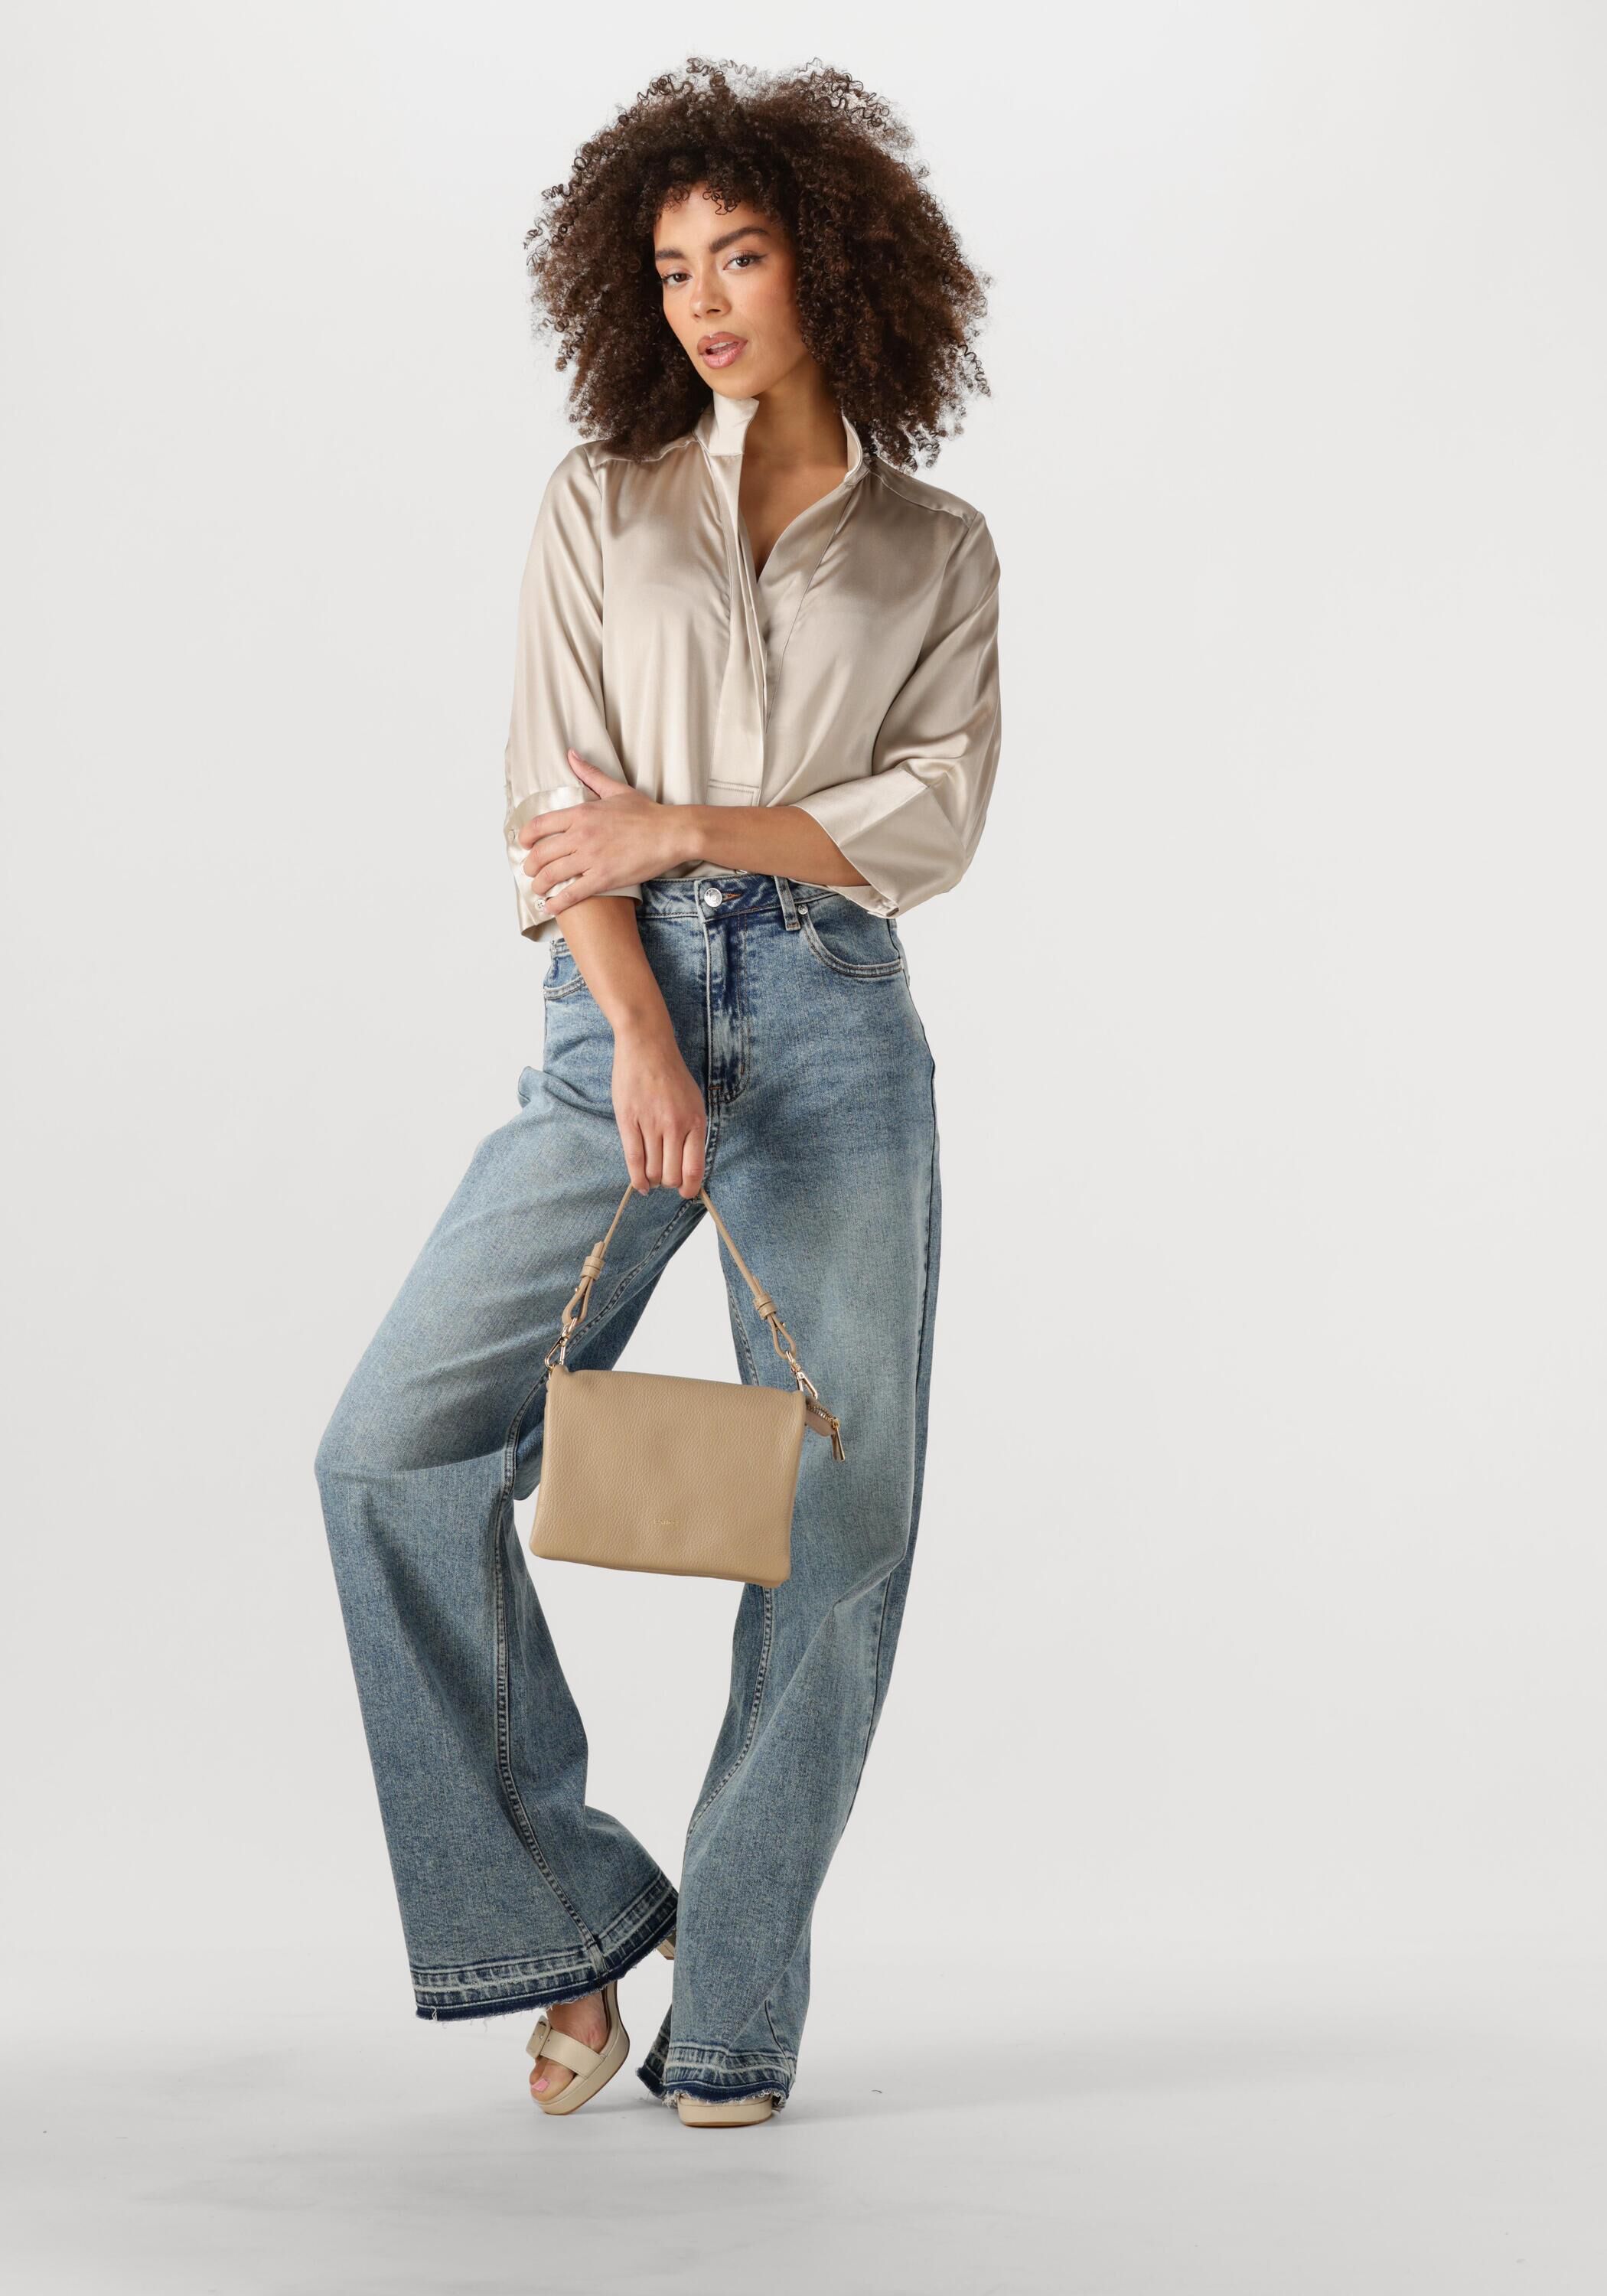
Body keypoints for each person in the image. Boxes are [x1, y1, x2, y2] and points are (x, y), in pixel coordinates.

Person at [314, 56, 1002, 2129]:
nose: (703, 300)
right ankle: (571, 1917)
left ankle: (745, 1998)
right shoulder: (598, 501)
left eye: (743, 255)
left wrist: (689, 823)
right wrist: (632, 1028)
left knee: (838, 1516)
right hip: (611, 1013)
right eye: (672, 266)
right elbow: (558, 811)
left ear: (836, 264)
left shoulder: (936, 545)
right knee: (389, 1451)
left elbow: (931, 816)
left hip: (836, 1026)